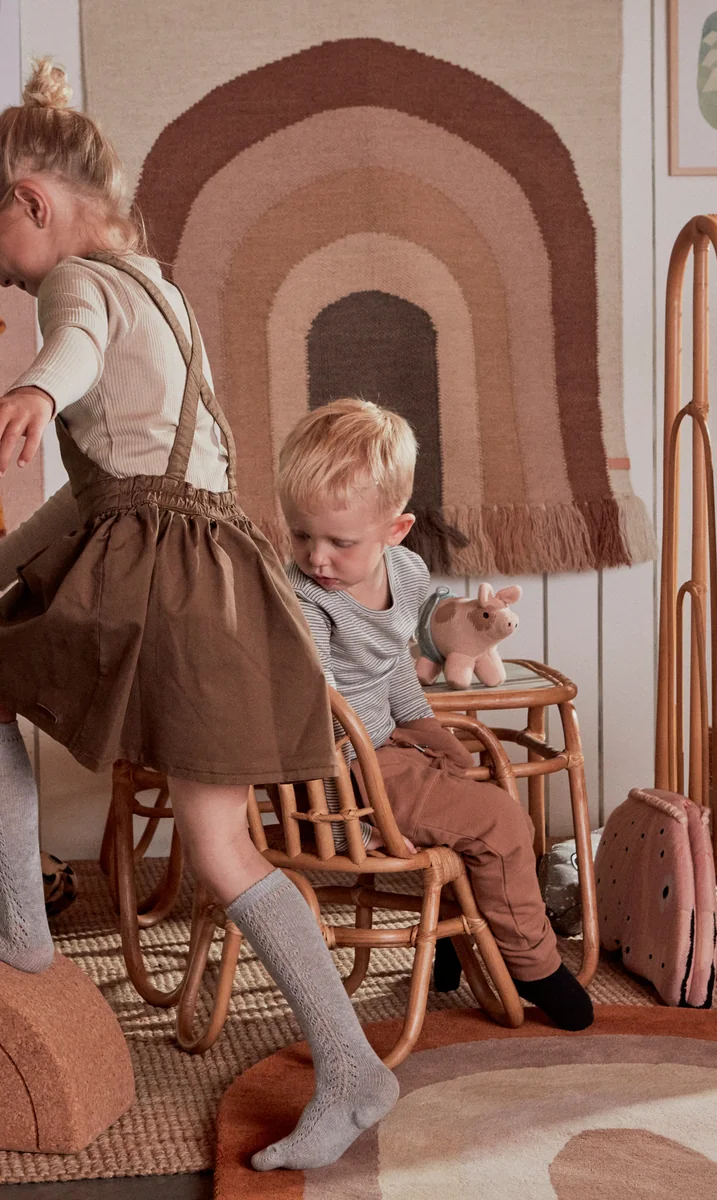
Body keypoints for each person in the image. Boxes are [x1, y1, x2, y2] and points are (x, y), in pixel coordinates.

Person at [0, 60, 398, 1172]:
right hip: (220, 578)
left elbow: (71, 348)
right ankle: (354, 1068)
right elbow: (109, 488)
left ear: (31, 202)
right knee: (225, 847)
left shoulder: (74, 285)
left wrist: (36, 386)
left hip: (160, 579)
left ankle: (20, 923)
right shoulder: (162, 293)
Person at [278, 397, 593, 1031]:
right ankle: (533, 964)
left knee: (467, 771)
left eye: (340, 542)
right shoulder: (306, 600)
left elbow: (392, 663)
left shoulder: (406, 571)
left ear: (395, 531)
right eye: (302, 535)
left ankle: (456, 935)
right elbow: (314, 711)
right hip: (345, 765)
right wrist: (344, 815)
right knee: (502, 823)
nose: (316, 558)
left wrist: (423, 724)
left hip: (387, 742)